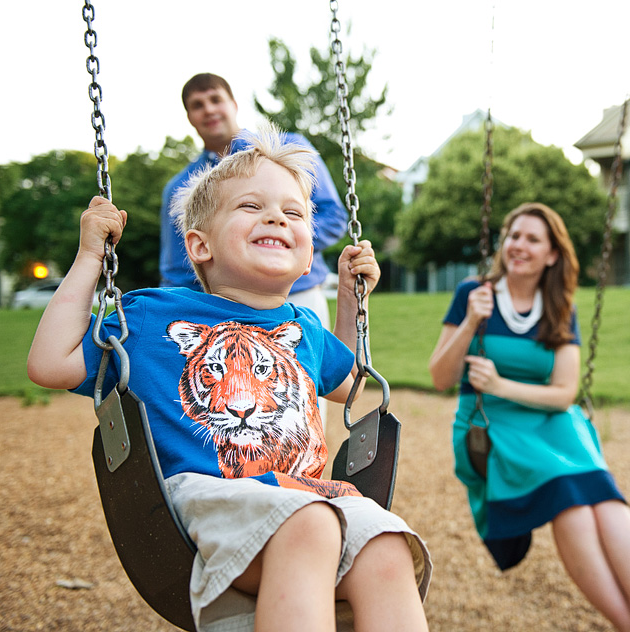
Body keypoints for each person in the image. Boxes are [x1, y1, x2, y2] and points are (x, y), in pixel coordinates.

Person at [28, 128, 430, 632]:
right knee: (310, 523)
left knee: (387, 546)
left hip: (307, 501)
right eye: (251, 206)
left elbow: (349, 385)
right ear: (199, 245)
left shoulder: (302, 327)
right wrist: (90, 257)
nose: (277, 217)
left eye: (294, 212)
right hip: (208, 503)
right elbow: (49, 362)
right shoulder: (153, 315)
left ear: (308, 258)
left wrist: (351, 301)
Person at [429, 202, 630, 632]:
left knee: (607, 503)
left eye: (532, 239)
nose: (518, 246)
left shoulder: (559, 305)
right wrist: (471, 321)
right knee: (574, 509)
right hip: (493, 425)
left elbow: (564, 393)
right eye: (514, 235)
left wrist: (503, 385)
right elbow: (439, 377)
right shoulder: (474, 293)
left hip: (551, 420)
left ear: (552, 255)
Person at [161, 72, 348, 425]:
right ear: (189, 117)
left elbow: (333, 216)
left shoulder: (287, 150)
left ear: (233, 104)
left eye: (215, 99)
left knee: (301, 406)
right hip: (218, 313)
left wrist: (272, 253)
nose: (208, 110)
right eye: (197, 105)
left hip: (297, 295)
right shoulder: (181, 187)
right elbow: (175, 269)